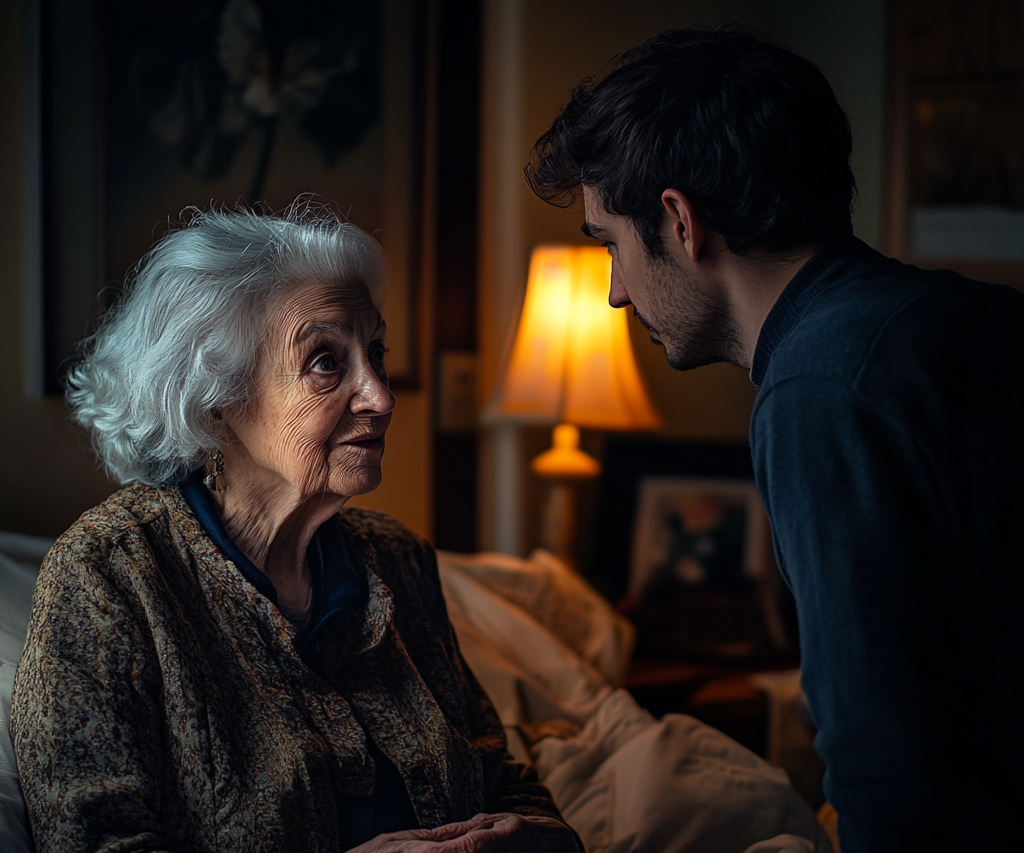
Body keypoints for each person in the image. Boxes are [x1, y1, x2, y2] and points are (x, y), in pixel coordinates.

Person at [526, 24, 1024, 853]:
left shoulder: (819, 391)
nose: (615, 292)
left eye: (610, 244)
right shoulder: (955, 317)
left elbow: (882, 759)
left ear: (681, 222)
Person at [11, 203, 580, 853]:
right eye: (326, 362)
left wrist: (541, 834)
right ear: (217, 396)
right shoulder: (108, 576)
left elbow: (497, 774)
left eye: (375, 352)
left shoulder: (397, 560)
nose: (383, 397)